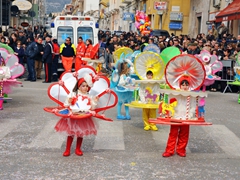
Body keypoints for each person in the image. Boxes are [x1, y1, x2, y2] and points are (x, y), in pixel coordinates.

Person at [54, 74, 99, 156]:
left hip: (83, 117)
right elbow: (66, 105)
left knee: (80, 134)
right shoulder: (73, 94)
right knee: (71, 133)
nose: (85, 88)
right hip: (73, 117)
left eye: (86, 86)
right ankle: (67, 149)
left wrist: (95, 101)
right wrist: (69, 101)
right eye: (83, 86)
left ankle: (78, 149)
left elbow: (91, 108)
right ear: (78, 86)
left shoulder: (89, 96)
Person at [162, 76, 191, 157]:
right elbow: (170, 104)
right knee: (173, 133)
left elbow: (192, 106)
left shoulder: (191, 94)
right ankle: (169, 150)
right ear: (180, 85)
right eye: (183, 85)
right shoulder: (175, 93)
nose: (185, 87)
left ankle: (181, 149)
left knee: (184, 134)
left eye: (186, 85)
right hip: (175, 116)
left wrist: (190, 114)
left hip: (186, 117)